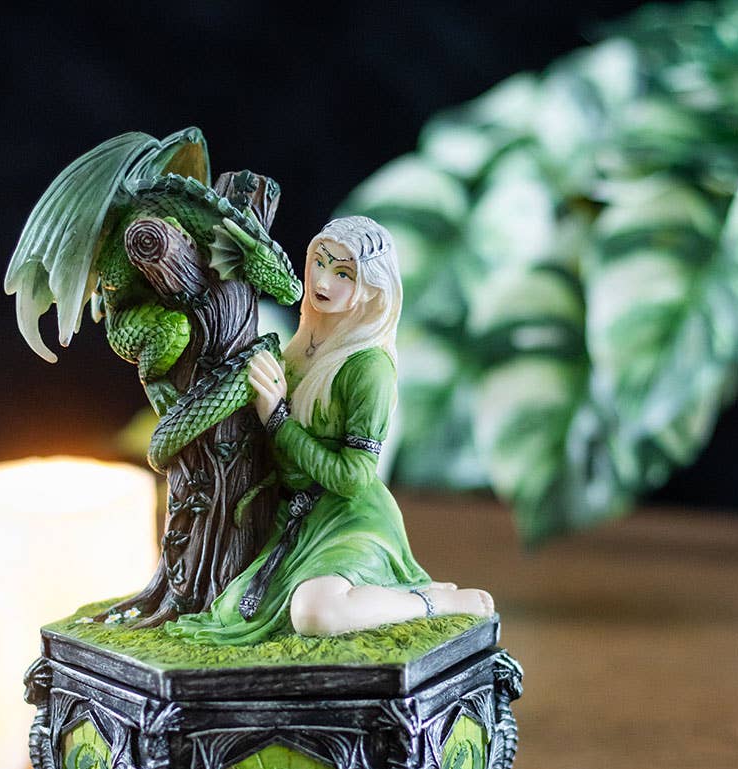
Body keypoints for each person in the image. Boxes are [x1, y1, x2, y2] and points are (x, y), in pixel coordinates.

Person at [166, 216, 493, 645]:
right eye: (319, 263)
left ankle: (430, 601)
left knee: (314, 613)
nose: (323, 280)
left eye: (343, 273)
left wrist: (278, 421)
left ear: (371, 289)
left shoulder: (369, 369)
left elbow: (353, 478)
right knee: (230, 607)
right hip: (295, 517)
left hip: (350, 518)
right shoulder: (301, 347)